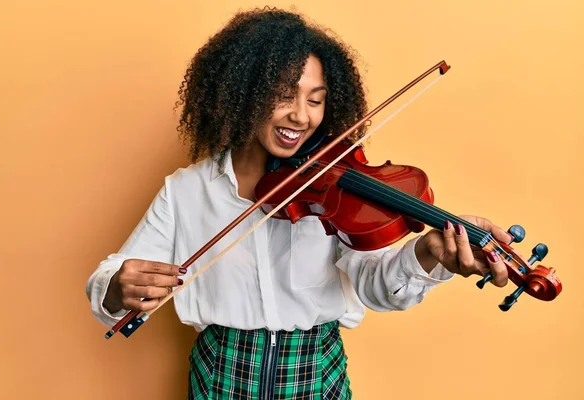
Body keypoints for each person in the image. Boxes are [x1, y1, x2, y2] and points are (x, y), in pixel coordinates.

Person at [86, 7, 511, 399]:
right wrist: (118, 287)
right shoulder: (187, 190)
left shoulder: (338, 190)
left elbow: (378, 287)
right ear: (244, 92)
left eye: (315, 99)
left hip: (316, 378)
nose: (301, 116)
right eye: (285, 95)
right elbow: (107, 283)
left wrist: (424, 254)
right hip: (219, 379)